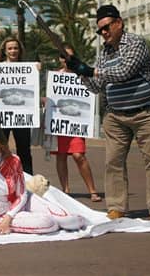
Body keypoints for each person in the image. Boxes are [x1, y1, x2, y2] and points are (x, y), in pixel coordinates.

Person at [69, 5, 150, 220]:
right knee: (113, 162)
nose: (104, 33)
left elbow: (124, 72)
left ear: (119, 23)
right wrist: (80, 72)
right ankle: (116, 207)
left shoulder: (136, 43)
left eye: (106, 27)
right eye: (100, 30)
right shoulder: (104, 53)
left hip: (146, 112)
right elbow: (97, 87)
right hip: (115, 115)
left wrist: (90, 70)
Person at [53, 44, 101, 202]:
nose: (66, 60)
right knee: (60, 156)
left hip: (77, 123)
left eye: (70, 57)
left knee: (78, 155)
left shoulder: (81, 75)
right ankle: (65, 190)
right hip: (60, 122)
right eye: (64, 57)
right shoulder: (55, 76)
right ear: (60, 59)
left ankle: (92, 190)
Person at [0, 37, 33, 175]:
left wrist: (36, 69)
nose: (13, 51)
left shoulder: (28, 68)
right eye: (10, 48)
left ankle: (27, 178)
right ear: (5, 51)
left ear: (20, 50)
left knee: (24, 149)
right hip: (2, 115)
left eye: (15, 48)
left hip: (22, 115)